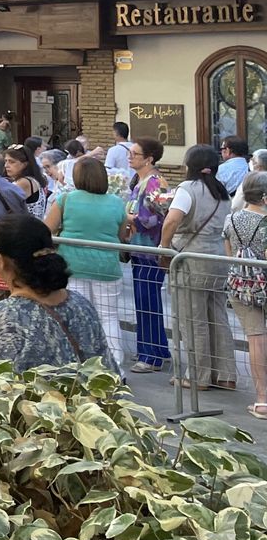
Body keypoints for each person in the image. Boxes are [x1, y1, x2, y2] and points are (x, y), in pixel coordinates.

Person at [0, 214, 110, 370]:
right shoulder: (80, 304)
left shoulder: (5, 315)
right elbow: (106, 367)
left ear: (2, 261)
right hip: (82, 393)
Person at [160, 145, 238, 392]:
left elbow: (172, 219)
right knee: (218, 318)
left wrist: (164, 246)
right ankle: (226, 375)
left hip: (192, 259)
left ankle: (198, 376)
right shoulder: (222, 191)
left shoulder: (188, 189)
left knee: (192, 319)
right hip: (217, 258)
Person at [44, 157, 129, 371]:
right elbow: (120, 235)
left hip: (73, 264)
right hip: (107, 265)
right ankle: (115, 367)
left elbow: (47, 229)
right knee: (108, 316)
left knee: (77, 315)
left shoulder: (65, 199)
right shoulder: (117, 203)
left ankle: (79, 364)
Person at [121, 137, 172, 374]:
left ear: (149, 158)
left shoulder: (154, 182)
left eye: (135, 154)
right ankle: (158, 349)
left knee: (147, 300)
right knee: (144, 300)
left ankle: (150, 355)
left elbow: (159, 216)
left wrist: (132, 220)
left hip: (149, 250)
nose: (130, 157)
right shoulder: (138, 181)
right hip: (140, 248)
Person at [224, 171, 267, 418]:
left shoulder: (231, 219)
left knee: (256, 340)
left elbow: (229, 252)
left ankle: (262, 399)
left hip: (241, 286)